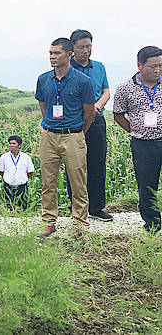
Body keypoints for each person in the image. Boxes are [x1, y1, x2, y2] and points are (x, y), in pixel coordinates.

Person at [35, 38, 95, 237]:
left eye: (57, 53)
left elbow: (89, 113)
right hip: (49, 135)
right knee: (48, 182)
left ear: (69, 55)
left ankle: (80, 223)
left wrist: (77, 133)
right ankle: (49, 222)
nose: (52, 57)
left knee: (77, 181)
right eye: (50, 53)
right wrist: (51, 124)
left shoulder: (83, 81)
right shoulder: (43, 79)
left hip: (73, 135)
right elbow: (43, 106)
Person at [63, 30, 113, 222]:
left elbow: (106, 91)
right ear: (72, 49)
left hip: (97, 121)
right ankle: (75, 206)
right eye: (81, 47)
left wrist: (97, 106)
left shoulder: (99, 67)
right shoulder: (66, 68)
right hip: (74, 122)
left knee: (97, 163)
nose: (86, 51)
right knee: (73, 165)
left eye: (88, 46)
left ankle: (96, 207)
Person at [113, 46, 162, 232]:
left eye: (160, 65)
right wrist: (136, 131)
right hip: (143, 145)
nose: (157, 70)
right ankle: (152, 224)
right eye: (152, 66)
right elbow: (118, 115)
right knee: (147, 185)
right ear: (139, 66)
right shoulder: (126, 88)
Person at [0, 135, 35, 210]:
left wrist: (22, 178)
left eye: (14, 144)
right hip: (8, 186)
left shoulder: (26, 157)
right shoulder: (4, 157)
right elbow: (1, 171)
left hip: (22, 186)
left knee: (22, 208)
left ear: (20, 145)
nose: (11, 145)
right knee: (8, 207)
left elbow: (30, 172)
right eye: (10, 143)